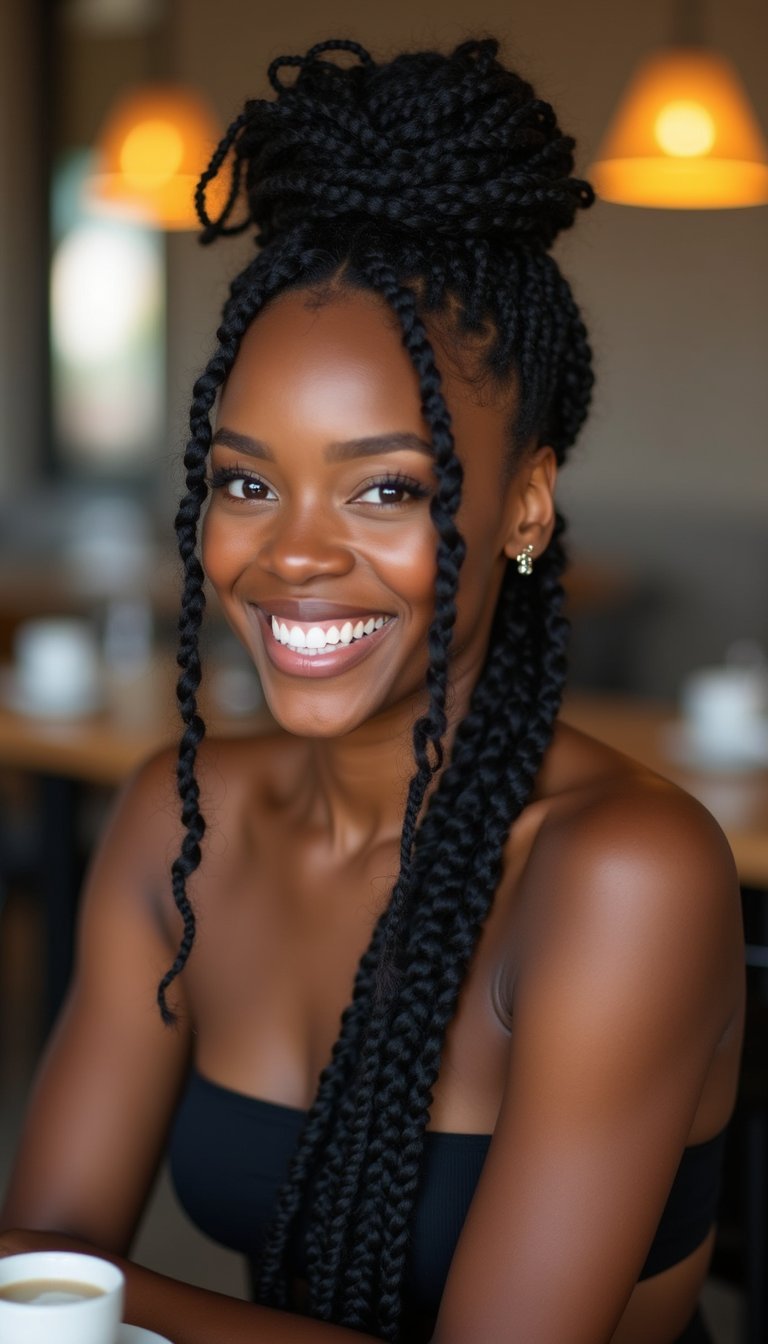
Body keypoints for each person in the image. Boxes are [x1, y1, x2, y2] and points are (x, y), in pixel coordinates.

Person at [0, 37, 744, 1344]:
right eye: (246, 482)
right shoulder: (181, 825)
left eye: (387, 488)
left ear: (526, 500)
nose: (291, 553)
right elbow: (47, 1270)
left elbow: (44, 1288)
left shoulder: (627, 875)